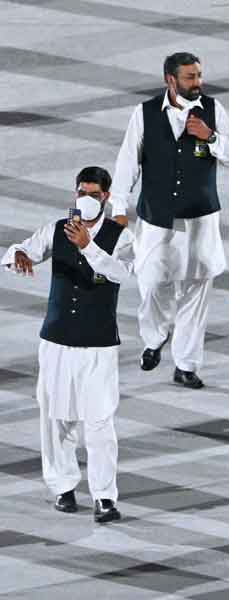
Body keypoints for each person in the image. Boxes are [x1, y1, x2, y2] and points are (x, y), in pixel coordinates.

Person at [1, 167, 134, 523]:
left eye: (92, 193)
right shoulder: (56, 229)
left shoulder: (121, 236)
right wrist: (17, 257)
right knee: (56, 416)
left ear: (105, 196)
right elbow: (20, 250)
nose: (84, 199)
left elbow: (121, 273)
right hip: (57, 339)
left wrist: (88, 247)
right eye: (80, 192)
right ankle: (62, 487)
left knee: (99, 420)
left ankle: (105, 497)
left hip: (97, 343)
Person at [110, 51, 229, 388]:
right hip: (157, 219)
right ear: (170, 80)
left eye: (199, 75)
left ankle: (186, 365)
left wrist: (210, 138)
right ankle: (155, 338)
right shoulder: (144, 114)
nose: (198, 83)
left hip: (201, 220)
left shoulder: (213, 110)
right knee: (152, 282)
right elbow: (128, 162)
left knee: (196, 291)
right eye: (190, 77)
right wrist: (117, 205)